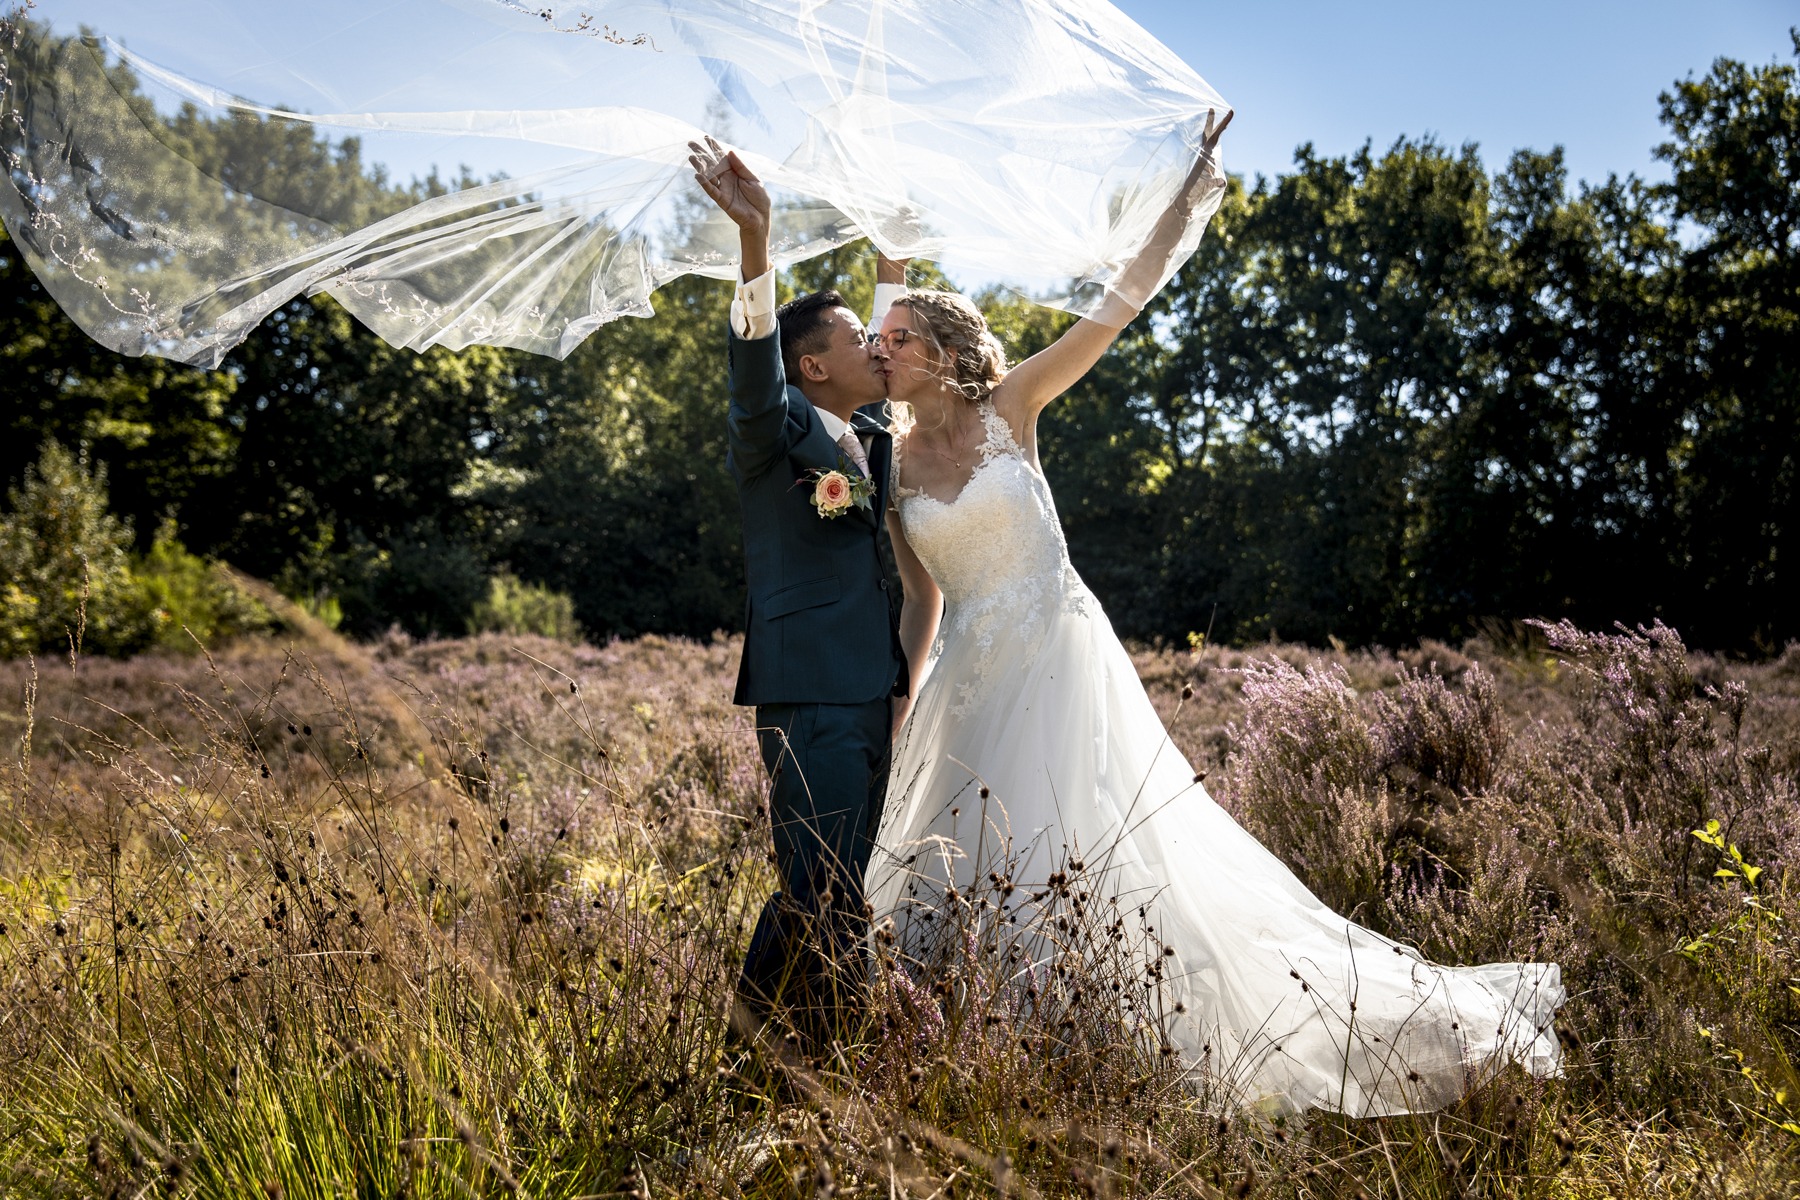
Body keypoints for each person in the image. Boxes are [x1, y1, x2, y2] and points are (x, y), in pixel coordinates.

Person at [865, 113, 1567, 1117]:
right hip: (968, 678)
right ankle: (995, 1047)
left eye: (895, 338)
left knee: (1086, 843)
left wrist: (1187, 192)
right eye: (875, 340)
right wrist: (902, 703)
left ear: (939, 352)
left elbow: (1116, 306)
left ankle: (1109, 1033)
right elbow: (919, 603)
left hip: (1060, 659)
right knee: (964, 863)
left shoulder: (1010, 408)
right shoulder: (888, 470)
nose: (878, 349)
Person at [689, 136, 909, 1052]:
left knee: (841, 885)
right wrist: (757, 242)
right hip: (809, 687)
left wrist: (893, 254)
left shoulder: (867, 433)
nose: (878, 346)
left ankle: (792, 1054)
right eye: (860, 337)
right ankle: (772, 1055)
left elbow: (898, 348)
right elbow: (752, 371)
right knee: (815, 884)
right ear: (812, 366)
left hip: (870, 691)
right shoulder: (773, 430)